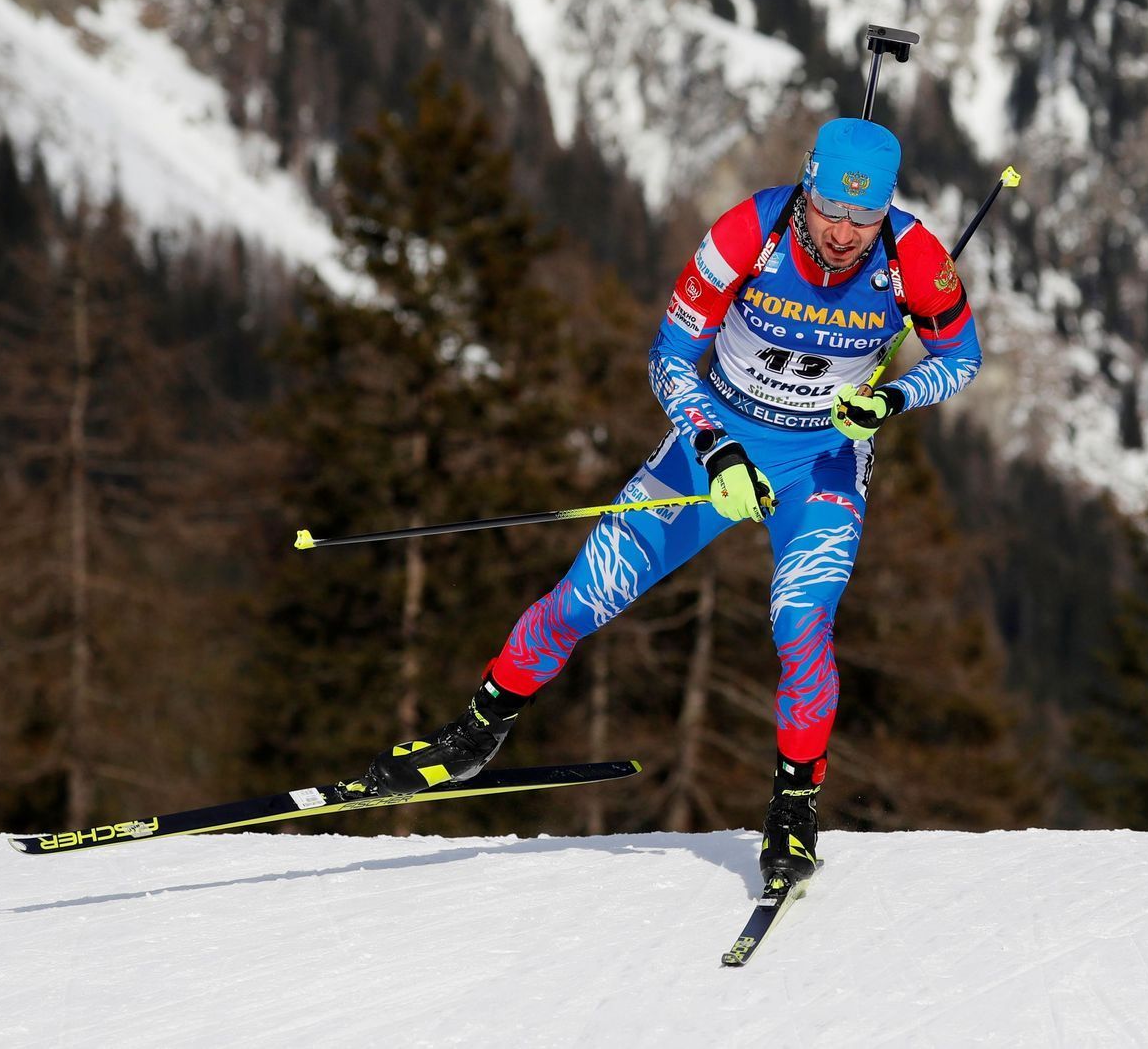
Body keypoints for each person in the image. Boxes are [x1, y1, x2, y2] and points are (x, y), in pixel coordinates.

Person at [351, 116, 982, 883]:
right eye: (831, 211)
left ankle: (792, 809)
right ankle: (478, 729)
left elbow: (961, 357)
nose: (846, 234)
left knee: (801, 624)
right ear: (807, 187)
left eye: (865, 217)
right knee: (584, 594)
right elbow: (670, 359)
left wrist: (893, 401)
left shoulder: (912, 255)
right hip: (715, 444)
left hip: (822, 461)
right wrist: (715, 449)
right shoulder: (746, 233)